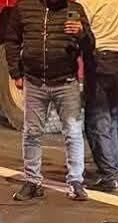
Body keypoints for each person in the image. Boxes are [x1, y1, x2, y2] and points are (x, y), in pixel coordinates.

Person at [5, 0, 93, 201]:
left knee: (73, 133)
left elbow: (90, 47)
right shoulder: (24, 8)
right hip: (35, 82)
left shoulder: (75, 9)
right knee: (32, 133)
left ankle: (76, 182)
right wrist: (15, 73)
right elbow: (12, 41)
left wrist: (81, 33)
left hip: (66, 82)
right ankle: (32, 181)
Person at [77, 0, 118, 193]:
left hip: (100, 60)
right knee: (109, 117)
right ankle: (113, 169)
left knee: (96, 121)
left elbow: (82, 34)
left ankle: (109, 175)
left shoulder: (87, 3)